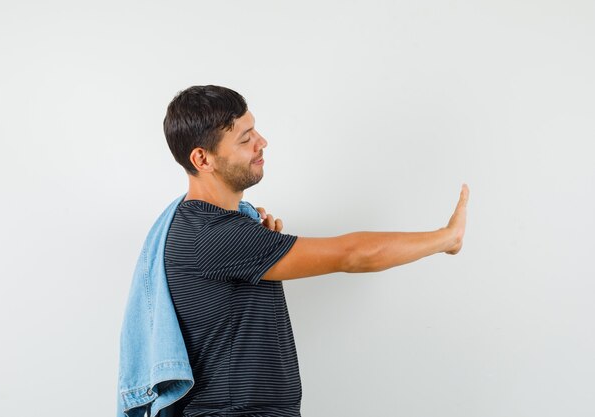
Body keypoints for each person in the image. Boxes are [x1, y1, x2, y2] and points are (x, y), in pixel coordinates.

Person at [162, 85, 469, 416]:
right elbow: (352, 255)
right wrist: (446, 238)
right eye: (244, 138)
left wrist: (259, 241)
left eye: (255, 130)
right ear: (202, 158)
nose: (261, 142)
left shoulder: (209, 225)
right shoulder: (214, 235)